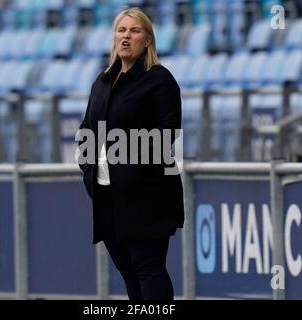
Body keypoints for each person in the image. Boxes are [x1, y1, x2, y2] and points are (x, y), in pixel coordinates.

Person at [76, 7, 184, 301]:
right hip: (107, 197)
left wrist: (130, 168)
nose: (126, 36)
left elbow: (167, 136)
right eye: (121, 30)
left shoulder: (159, 80)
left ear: (147, 40)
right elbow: (86, 129)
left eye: (134, 31)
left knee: (148, 269)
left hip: (146, 197)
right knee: (127, 272)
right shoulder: (101, 81)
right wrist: (89, 174)